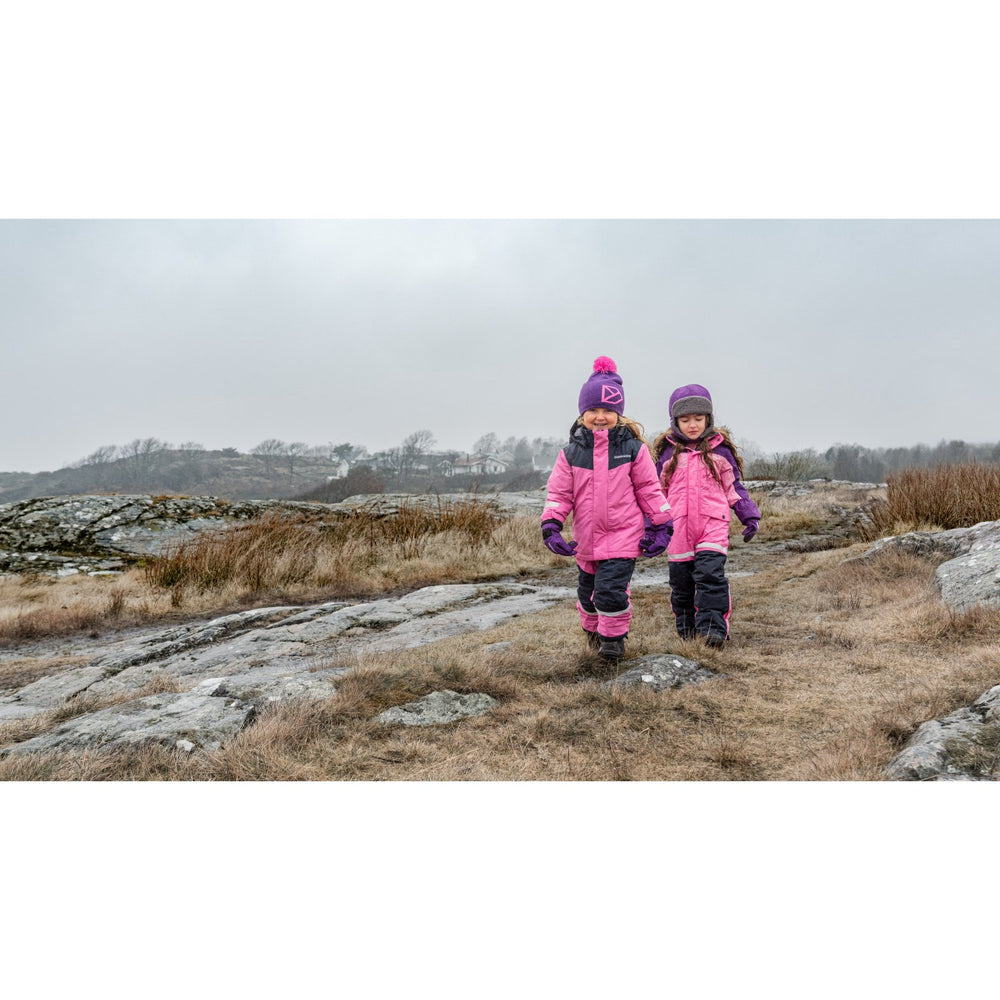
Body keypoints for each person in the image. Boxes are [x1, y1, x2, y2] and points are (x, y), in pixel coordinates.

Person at [541, 356, 673, 662]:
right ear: (582, 414)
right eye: (593, 410)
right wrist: (551, 526)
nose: (600, 417)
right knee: (587, 596)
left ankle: (613, 644)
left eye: (608, 411)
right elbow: (559, 494)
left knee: (609, 591)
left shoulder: (633, 450)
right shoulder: (570, 454)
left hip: (623, 537)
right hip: (586, 542)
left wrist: (662, 524)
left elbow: (649, 490)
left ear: (619, 415)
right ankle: (593, 635)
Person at [651, 383, 761, 649]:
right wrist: (651, 527)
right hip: (678, 530)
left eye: (698, 418)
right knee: (682, 584)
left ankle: (712, 631)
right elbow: (655, 494)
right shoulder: (667, 454)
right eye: (685, 419)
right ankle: (688, 632)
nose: (692, 425)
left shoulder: (720, 452)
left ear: (708, 419)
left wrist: (749, 516)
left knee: (710, 577)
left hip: (713, 526)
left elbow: (734, 488)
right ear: (675, 421)